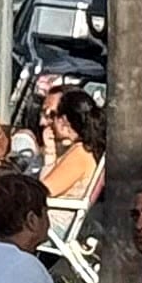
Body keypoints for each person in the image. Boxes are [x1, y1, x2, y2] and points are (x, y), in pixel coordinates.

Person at [35, 89, 103, 227]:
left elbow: (45, 190)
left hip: (54, 225)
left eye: (54, 115)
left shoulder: (80, 153)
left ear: (63, 120)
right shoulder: (85, 149)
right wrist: (50, 151)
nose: (50, 122)